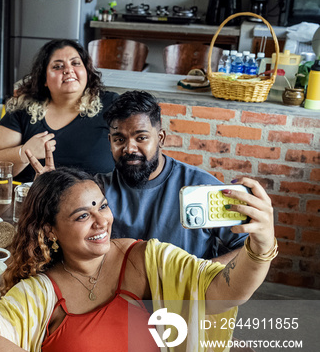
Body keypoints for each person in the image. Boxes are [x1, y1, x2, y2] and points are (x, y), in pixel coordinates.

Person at [0, 167, 276, 352]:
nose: (101, 221)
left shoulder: (142, 259)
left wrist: (261, 245)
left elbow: (222, 291)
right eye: (83, 215)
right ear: (50, 230)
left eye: (103, 206)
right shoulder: (41, 292)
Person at [27, 90, 246, 260]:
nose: (129, 148)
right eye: (119, 139)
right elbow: (50, 237)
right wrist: (46, 194)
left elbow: (248, 247)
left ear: (160, 138)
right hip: (119, 302)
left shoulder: (201, 187)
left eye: (141, 138)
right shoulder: (96, 190)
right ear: (110, 142)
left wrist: (204, 276)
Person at [0, 39, 118, 182]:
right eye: (58, 66)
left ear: (86, 70)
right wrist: (24, 152)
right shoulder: (24, 107)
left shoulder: (111, 105)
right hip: (31, 200)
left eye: (75, 63)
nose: (68, 69)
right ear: (44, 79)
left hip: (95, 202)